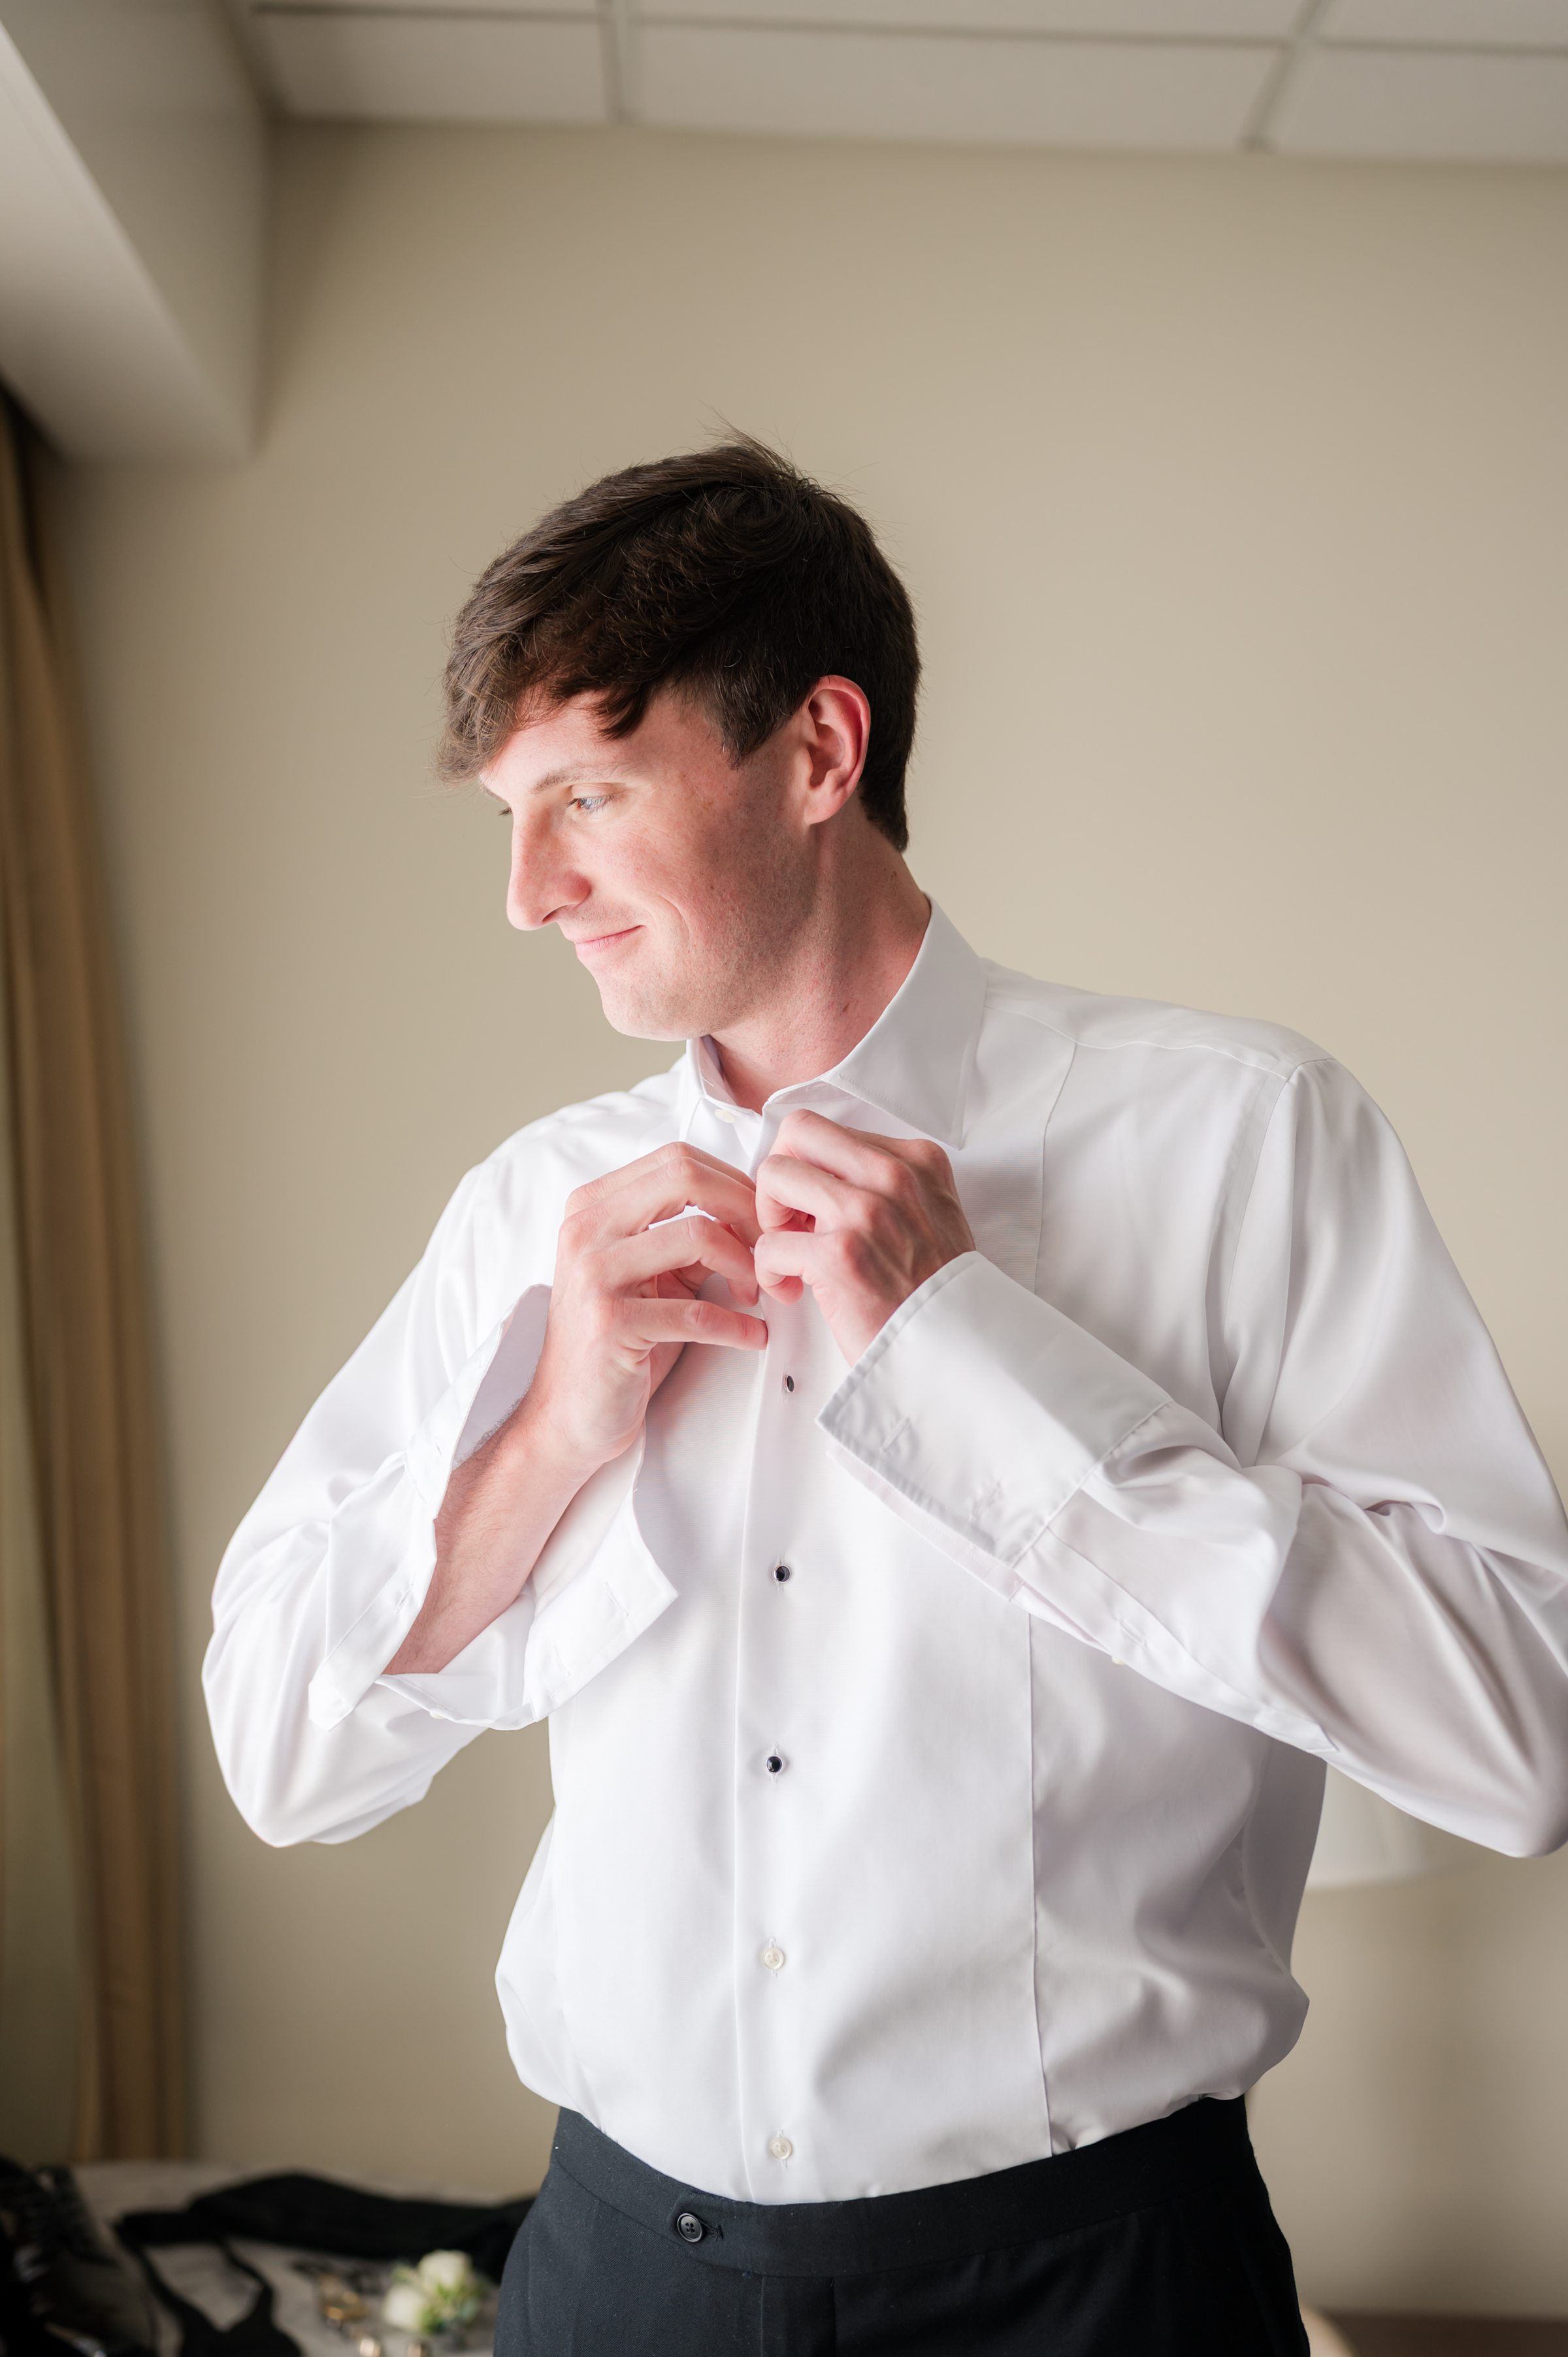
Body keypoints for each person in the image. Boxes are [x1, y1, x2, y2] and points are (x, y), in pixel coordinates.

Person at [206, 441, 1568, 2357]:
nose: (528, 894)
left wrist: (975, 1361)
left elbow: (1521, 1742)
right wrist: (551, 1435)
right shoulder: (532, 1212)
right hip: (618, 2283)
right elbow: (282, 1754)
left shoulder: (1244, 1138)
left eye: (587, 796)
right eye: (512, 818)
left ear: (820, 753)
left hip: (1096, 2293)